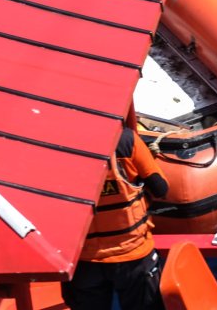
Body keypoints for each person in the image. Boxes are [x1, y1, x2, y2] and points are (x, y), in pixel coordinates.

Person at [62, 125, 170, 310]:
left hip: (83, 260)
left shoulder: (54, 146)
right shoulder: (126, 140)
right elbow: (160, 188)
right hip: (133, 254)